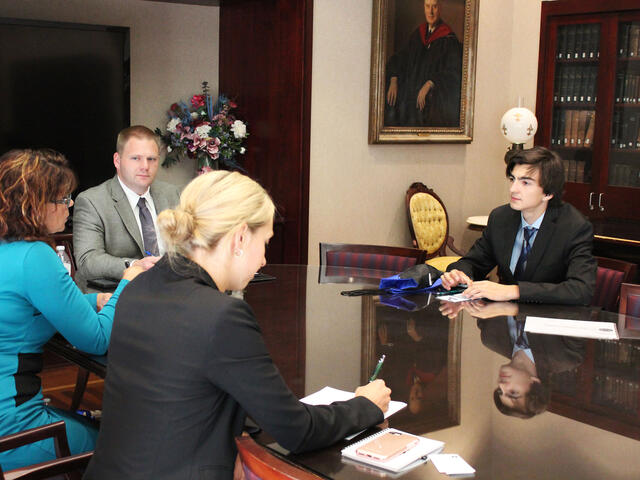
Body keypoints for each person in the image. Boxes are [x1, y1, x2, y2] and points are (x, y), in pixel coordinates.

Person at [83, 171, 391, 479]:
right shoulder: (221, 316)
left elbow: (180, 390)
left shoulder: (138, 287)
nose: (264, 260)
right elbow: (296, 430)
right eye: (265, 242)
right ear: (240, 237)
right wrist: (365, 405)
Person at [0, 149, 142, 470]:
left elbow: (26, 315)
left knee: (95, 422)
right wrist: (129, 280)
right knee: (130, 443)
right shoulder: (35, 255)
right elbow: (97, 340)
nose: (71, 205)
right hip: (14, 432)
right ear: (36, 204)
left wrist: (95, 301)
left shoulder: (7, 247)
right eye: (64, 198)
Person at [441, 146, 596, 305]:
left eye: (525, 183)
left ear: (548, 193)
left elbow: (581, 290)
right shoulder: (501, 218)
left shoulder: (574, 227)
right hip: (503, 319)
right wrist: (458, 273)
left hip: (548, 320)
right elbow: (473, 262)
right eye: (512, 179)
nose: (513, 189)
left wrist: (514, 291)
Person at [73, 125, 181, 291]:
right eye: (136, 158)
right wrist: (135, 265)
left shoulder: (172, 194)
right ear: (117, 160)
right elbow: (88, 260)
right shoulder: (92, 201)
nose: (145, 166)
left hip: (171, 289)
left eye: (151, 159)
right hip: (120, 293)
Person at [475, 305, 586, 418]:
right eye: (513, 393)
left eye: (500, 391)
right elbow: (577, 309)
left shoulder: (491, 339)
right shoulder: (564, 357)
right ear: (535, 384)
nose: (502, 385)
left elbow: (480, 303)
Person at [385, 0, 462, 127]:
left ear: (440, 8)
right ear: (424, 8)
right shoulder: (418, 34)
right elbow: (401, 57)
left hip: (430, 102)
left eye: (434, 7)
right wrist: (394, 78)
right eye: (427, 6)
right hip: (409, 98)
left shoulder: (449, 39)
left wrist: (430, 83)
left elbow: (453, 71)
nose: (430, 12)